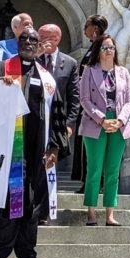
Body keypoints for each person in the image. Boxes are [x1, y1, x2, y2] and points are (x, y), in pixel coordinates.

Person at [0, 27, 69, 258]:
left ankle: (27, 253)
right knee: (12, 203)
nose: (29, 43)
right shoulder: (1, 69)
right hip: (10, 148)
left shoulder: (47, 78)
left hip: (37, 150)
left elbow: (58, 115)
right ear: (17, 42)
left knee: (32, 206)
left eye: (34, 40)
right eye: (24, 39)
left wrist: (54, 147)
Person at [78, 34, 130, 226]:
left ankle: (110, 213)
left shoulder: (123, 72)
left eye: (111, 47)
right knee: (94, 168)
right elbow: (84, 100)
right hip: (96, 123)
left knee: (113, 170)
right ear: (98, 51)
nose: (109, 51)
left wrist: (120, 120)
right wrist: (102, 119)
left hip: (118, 124)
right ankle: (91, 211)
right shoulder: (89, 71)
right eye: (104, 48)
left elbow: (129, 101)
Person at [35, 24, 80, 224]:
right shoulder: (33, 59)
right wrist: (36, 55)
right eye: (40, 36)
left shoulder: (69, 63)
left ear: (57, 39)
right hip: (35, 120)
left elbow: (75, 98)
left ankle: (43, 212)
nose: (41, 40)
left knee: (49, 165)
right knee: (35, 165)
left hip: (57, 125)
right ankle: (33, 208)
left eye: (46, 37)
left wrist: (70, 124)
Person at [74, 14, 108, 192]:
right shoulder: (91, 47)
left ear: (95, 28)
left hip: (97, 103)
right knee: (86, 142)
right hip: (86, 102)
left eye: (86, 25)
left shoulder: (103, 46)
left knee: (95, 142)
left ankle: (97, 182)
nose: (84, 29)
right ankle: (87, 181)